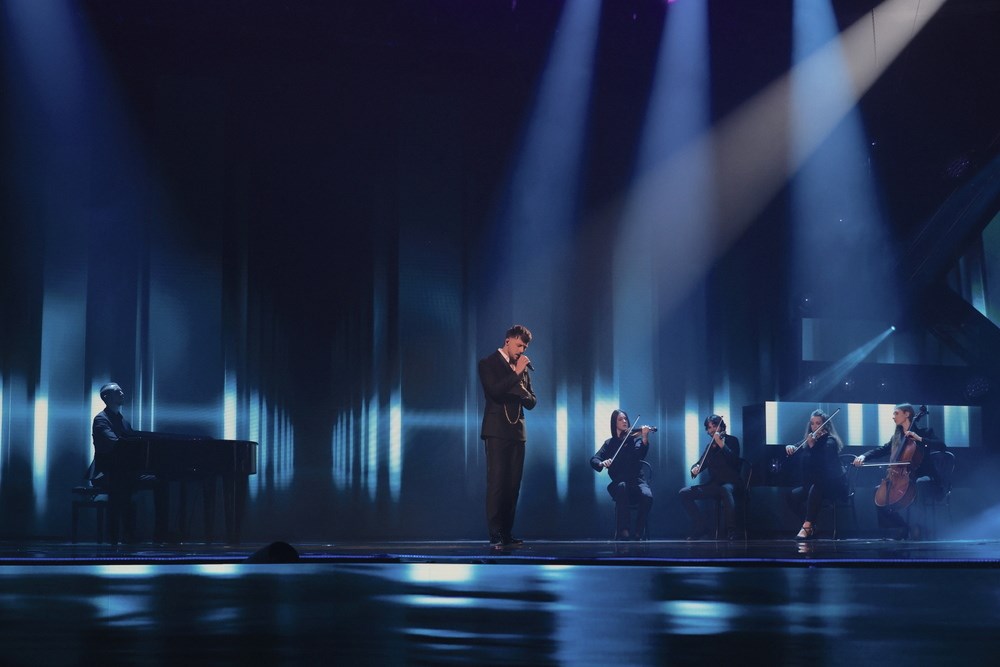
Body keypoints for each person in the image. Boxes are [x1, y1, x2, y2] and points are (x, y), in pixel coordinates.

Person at [478, 325, 537, 549]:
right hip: (496, 431)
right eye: (519, 345)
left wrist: (521, 390)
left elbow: (532, 401)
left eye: (525, 348)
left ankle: (506, 533)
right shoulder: (488, 363)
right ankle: (495, 534)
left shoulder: (522, 367)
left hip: (517, 432)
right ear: (508, 341)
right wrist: (516, 374)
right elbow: (494, 391)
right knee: (497, 482)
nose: (522, 351)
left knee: (513, 485)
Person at [853, 403, 947, 539]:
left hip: (924, 476)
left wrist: (920, 439)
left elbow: (942, 446)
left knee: (919, 484)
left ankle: (919, 527)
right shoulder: (897, 438)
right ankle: (900, 527)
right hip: (902, 478)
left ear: (907, 414)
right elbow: (881, 450)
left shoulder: (924, 432)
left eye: (896, 413)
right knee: (878, 492)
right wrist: (863, 456)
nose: (893, 417)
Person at [90, 382, 169, 543]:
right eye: (117, 391)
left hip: (123, 470)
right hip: (107, 472)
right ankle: (122, 535)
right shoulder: (101, 419)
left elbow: (129, 445)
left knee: (160, 481)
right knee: (122, 483)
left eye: (121, 390)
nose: (122, 393)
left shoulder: (123, 421)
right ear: (106, 397)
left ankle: (160, 532)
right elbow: (115, 444)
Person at [784, 409, 848, 539]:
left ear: (825, 425)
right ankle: (811, 524)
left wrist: (813, 446)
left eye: (818, 423)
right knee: (792, 496)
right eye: (812, 423)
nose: (815, 426)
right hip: (815, 484)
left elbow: (823, 463)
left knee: (817, 487)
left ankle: (807, 526)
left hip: (833, 485)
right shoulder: (810, 440)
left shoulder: (830, 441)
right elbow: (797, 446)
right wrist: (791, 446)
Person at [590, 409, 653, 540]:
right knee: (621, 487)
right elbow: (594, 459)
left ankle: (639, 531)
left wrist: (644, 437)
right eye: (620, 419)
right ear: (614, 423)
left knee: (647, 495)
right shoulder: (609, 443)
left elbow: (641, 454)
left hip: (637, 482)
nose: (624, 421)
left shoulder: (634, 440)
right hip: (619, 483)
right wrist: (602, 463)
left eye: (625, 419)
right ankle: (624, 530)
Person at [679, 414, 742, 540]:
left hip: (731, 482)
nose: (712, 430)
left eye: (714, 426)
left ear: (722, 427)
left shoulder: (732, 440)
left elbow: (735, 461)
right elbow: (700, 463)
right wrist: (695, 469)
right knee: (684, 493)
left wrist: (722, 445)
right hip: (715, 484)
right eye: (709, 427)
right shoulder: (710, 447)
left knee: (725, 489)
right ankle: (701, 526)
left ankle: (732, 531)